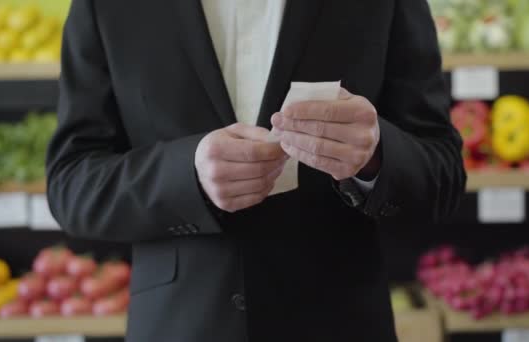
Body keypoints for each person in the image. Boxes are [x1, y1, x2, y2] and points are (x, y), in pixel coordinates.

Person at [46, 0, 466, 341]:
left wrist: (375, 156)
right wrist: (185, 177)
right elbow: (71, 182)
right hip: (181, 325)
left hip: (337, 322)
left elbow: (443, 175)